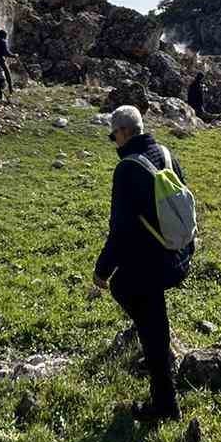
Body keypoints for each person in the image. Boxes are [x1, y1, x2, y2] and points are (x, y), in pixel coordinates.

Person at [93, 104, 193, 423]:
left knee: (131, 296)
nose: (114, 142)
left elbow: (120, 230)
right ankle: (159, 347)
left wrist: (102, 270)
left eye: (113, 136)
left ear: (124, 132)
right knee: (142, 304)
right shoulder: (166, 154)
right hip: (179, 256)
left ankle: (164, 403)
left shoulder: (127, 169)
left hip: (153, 265)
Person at [0, 28, 14, 96]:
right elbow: (6, 53)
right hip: (1, 60)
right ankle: (10, 88)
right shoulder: (3, 41)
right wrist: (14, 56)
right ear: (4, 35)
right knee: (7, 73)